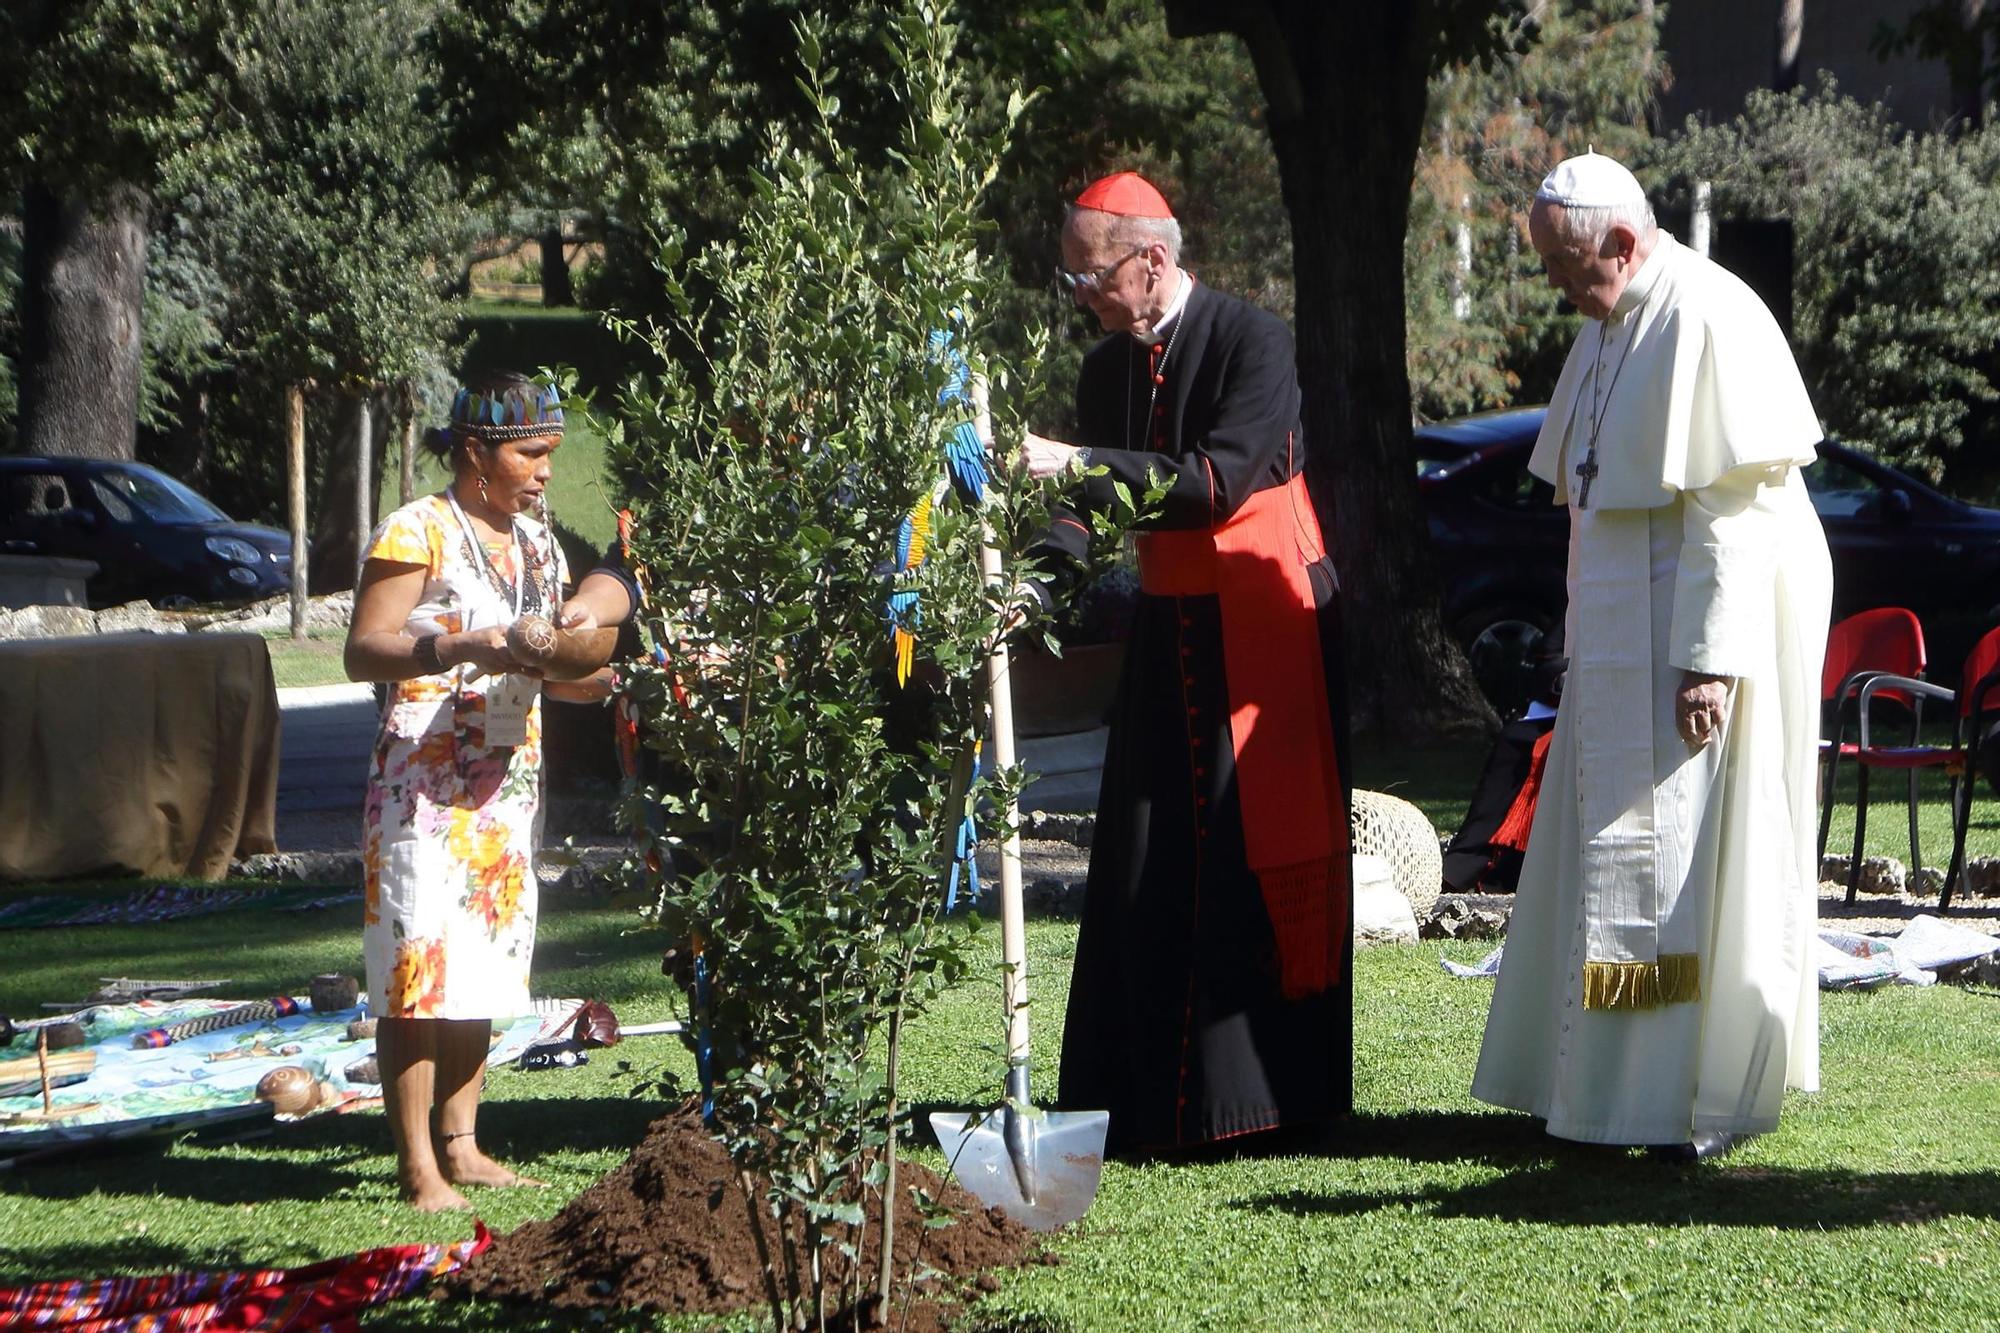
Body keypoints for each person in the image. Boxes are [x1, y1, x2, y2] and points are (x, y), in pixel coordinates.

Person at [1469, 152, 1833, 1161]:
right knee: (1604, 853)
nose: (1553, 283)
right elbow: (1591, 505)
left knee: (1683, 856)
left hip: (1700, 626)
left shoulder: (1707, 315)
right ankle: (1594, 1088)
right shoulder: (1607, 325)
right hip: (1626, 629)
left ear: (1622, 245)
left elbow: (1728, 511)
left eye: (1563, 261)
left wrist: (1707, 660)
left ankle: (1674, 1097)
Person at [1017, 171, 1351, 1153]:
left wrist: (1075, 466)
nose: (1078, 295)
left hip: (1264, 626)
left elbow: (1215, 482)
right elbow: (1081, 512)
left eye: (1087, 277)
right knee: (1147, 864)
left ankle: (1261, 1106)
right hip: (1168, 634)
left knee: (1254, 855)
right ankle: (1138, 1095)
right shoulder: (1104, 368)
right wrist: (1033, 590)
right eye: (1070, 278)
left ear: (1150, 261)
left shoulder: (1254, 341)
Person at [344, 371, 575, 1210]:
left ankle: (465, 1144)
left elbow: (551, 654)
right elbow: (364, 648)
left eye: (550, 452)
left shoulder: (539, 543)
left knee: (480, 956)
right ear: (476, 451)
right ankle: (417, 1165)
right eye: (530, 452)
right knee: (418, 964)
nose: (545, 470)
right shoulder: (418, 528)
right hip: (422, 781)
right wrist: (457, 645)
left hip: (504, 777)